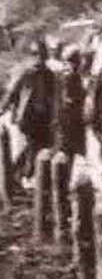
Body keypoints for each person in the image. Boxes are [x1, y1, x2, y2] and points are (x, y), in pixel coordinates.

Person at [0, 37, 57, 179]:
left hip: (44, 116)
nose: (39, 59)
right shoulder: (25, 72)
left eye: (42, 55)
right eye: (36, 54)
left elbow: (53, 96)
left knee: (43, 146)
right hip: (27, 116)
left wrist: (55, 114)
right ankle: (21, 175)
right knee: (30, 146)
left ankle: (29, 176)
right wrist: (3, 107)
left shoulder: (49, 74)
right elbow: (12, 90)